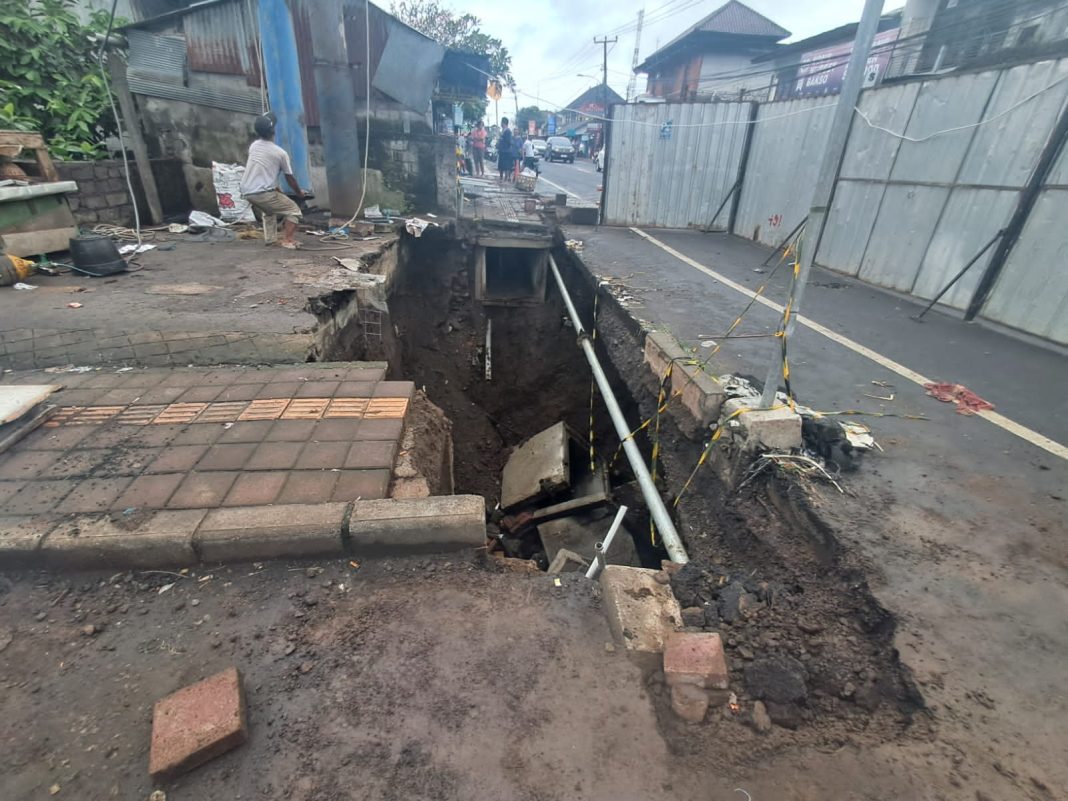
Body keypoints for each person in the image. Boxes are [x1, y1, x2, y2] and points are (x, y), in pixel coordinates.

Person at [240, 114, 305, 249]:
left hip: (247, 191)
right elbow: (289, 178)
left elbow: (264, 171)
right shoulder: (280, 153)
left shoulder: (254, 146)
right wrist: (299, 193)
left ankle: (270, 239)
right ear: (273, 131)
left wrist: (276, 189)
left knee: (269, 210)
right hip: (262, 192)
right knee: (293, 211)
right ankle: (288, 240)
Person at [497, 117, 514, 183]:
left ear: (504, 123)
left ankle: (506, 178)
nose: (501, 124)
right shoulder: (502, 131)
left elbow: (508, 141)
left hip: (506, 151)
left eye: (501, 122)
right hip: (501, 150)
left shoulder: (508, 131)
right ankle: (501, 177)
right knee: (501, 165)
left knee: (506, 166)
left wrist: (502, 137)